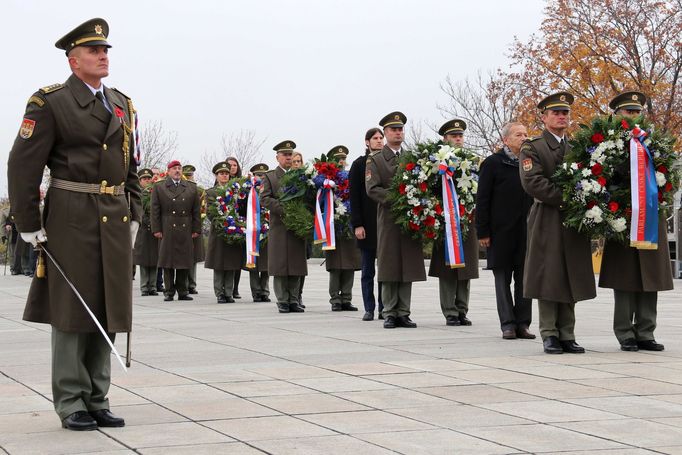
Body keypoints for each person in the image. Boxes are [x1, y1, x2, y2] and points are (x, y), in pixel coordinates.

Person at [7, 18, 141, 430]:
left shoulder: (121, 102)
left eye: (106, 50)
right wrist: (29, 222)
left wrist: (133, 211)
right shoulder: (50, 102)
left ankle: (97, 396)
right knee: (72, 309)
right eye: (93, 51)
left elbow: (130, 165)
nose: (103, 56)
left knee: (109, 307)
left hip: (114, 218)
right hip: (72, 216)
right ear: (73, 60)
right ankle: (71, 401)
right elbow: (22, 165)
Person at [519, 92, 596, 354]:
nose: (562, 117)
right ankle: (549, 333)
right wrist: (569, 199)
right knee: (549, 275)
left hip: (573, 221)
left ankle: (568, 334)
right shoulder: (533, 147)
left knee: (571, 273)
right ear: (544, 117)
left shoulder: (576, 147)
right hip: (548, 217)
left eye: (565, 113)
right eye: (556, 113)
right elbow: (533, 182)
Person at [598, 91, 673, 351]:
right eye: (627, 112)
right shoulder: (606, 143)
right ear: (616, 115)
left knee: (650, 274)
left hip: (650, 216)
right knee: (625, 276)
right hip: (623, 216)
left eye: (636, 112)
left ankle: (646, 331)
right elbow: (600, 178)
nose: (632, 116)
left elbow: (667, 173)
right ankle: (625, 333)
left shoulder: (650, 141)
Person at [366, 111, 426, 328]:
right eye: (393, 130)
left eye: (400, 129)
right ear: (385, 133)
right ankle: (389, 311)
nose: (398, 133)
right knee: (390, 264)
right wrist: (400, 199)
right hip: (390, 218)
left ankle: (404, 311)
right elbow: (372, 189)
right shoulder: (376, 159)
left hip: (410, 218)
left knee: (408, 264)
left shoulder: (411, 157)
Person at [476, 122, 535, 339]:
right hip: (499, 232)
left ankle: (523, 324)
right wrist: (482, 231)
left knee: (524, 280)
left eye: (526, 134)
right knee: (502, 279)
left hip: (525, 231)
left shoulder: (529, 163)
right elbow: (482, 199)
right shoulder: (493, 163)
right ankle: (507, 324)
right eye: (519, 134)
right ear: (506, 140)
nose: (524, 138)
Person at [428, 120, 480, 326]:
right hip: (446, 220)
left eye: (460, 135)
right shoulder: (437, 161)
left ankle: (462, 309)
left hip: (467, 219)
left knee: (465, 267)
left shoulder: (473, 160)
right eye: (454, 136)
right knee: (447, 267)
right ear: (445, 139)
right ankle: (449, 310)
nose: (458, 139)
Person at [260, 141, 307, 313]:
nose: (288, 157)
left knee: (295, 265)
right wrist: (285, 209)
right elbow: (264, 199)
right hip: (279, 226)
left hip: (297, 227)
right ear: (277, 157)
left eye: (290, 154)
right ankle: (282, 300)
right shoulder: (270, 176)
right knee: (280, 265)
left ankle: (294, 299)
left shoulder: (300, 175)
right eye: (285, 155)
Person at [152, 160, 202, 302]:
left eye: (179, 168)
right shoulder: (159, 187)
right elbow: (155, 210)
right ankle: (168, 291)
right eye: (174, 168)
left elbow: (196, 211)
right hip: (167, 226)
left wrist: (196, 229)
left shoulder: (191, 187)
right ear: (168, 171)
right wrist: (156, 229)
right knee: (167, 261)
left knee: (183, 261)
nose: (177, 171)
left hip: (185, 226)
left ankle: (183, 291)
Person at [349, 128, 385, 321]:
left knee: (386, 269)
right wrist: (357, 224)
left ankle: (384, 307)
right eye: (375, 138)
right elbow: (354, 197)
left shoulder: (388, 163)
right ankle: (369, 308)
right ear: (367, 142)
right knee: (368, 270)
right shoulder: (359, 164)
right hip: (367, 224)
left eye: (381, 138)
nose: (379, 141)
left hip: (385, 225)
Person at [324, 146, 361, 312]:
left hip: (349, 224)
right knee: (335, 266)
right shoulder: (325, 179)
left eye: (343, 159)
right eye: (337, 159)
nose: (341, 162)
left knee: (350, 264)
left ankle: (347, 297)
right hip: (333, 226)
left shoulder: (349, 176)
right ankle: (335, 299)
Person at [205, 162, 243, 303]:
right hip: (219, 232)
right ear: (216, 176)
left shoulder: (236, 191)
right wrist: (222, 222)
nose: (224, 176)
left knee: (231, 263)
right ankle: (219, 293)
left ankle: (229, 292)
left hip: (234, 231)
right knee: (219, 263)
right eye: (221, 173)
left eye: (226, 173)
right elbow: (209, 212)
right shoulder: (211, 192)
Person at [246, 163, 271, 302]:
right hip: (253, 229)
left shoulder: (270, 188)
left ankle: (265, 292)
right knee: (254, 264)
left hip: (268, 230)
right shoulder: (248, 190)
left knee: (267, 264)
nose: (260, 177)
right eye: (258, 175)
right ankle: (256, 292)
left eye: (263, 175)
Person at [134, 168, 159, 296]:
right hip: (143, 230)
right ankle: (144, 287)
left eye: (149, 178)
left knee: (154, 259)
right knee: (144, 261)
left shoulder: (155, 192)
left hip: (154, 231)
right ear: (139, 181)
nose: (147, 181)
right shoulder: (137, 193)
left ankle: (153, 286)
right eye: (144, 179)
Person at [290, 150, 309, 307]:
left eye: (299, 161)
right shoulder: (287, 180)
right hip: (291, 225)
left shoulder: (307, 180)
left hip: (304, 225)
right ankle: (291, 295)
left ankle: (299, 294)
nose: (296, 164)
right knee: (292, 263)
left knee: (302, 263)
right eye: (294, 161)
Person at [182, 164, 204, 295]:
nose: (190, 178)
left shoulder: (198, 190)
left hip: (194, 227)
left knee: (193, 258)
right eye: (187, 175)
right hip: (182, 227)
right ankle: (183, 284)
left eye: (191, 175)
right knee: (183, 258)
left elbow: (202, 208)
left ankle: (192, 284)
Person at [226, 157, 243, 299]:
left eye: (234, 165)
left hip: (239, 222)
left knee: (237, 258)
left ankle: (235, 288)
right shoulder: (221, 182)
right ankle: (225, 287)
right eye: (229, 165)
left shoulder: (242, 183)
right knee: (226, 257)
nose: (232, 167)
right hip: (225, 222)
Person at [1, 207, 20, 275]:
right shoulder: (5, 211)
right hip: (12, 234)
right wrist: (3, 235)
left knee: (21, 253)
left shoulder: (20, 208)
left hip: (21, 234)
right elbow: (2, 224)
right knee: (12, 253)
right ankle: (13, 269)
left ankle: (20, 269)